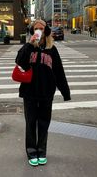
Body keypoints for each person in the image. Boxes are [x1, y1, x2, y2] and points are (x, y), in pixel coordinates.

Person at [15, 19, 71, 167]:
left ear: (46, 31)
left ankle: (42, 151)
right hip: (30, 93)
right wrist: (29, 43)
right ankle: (32, 151)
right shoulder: (28, 48)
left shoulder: (52, 49)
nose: (38, 31)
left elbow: (59, 72)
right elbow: (19, 61)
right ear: (32, 31)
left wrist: (66, 92)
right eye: (35, 29)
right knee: (31, 123)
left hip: (47, 93)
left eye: (41, 28)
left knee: (44, 124)